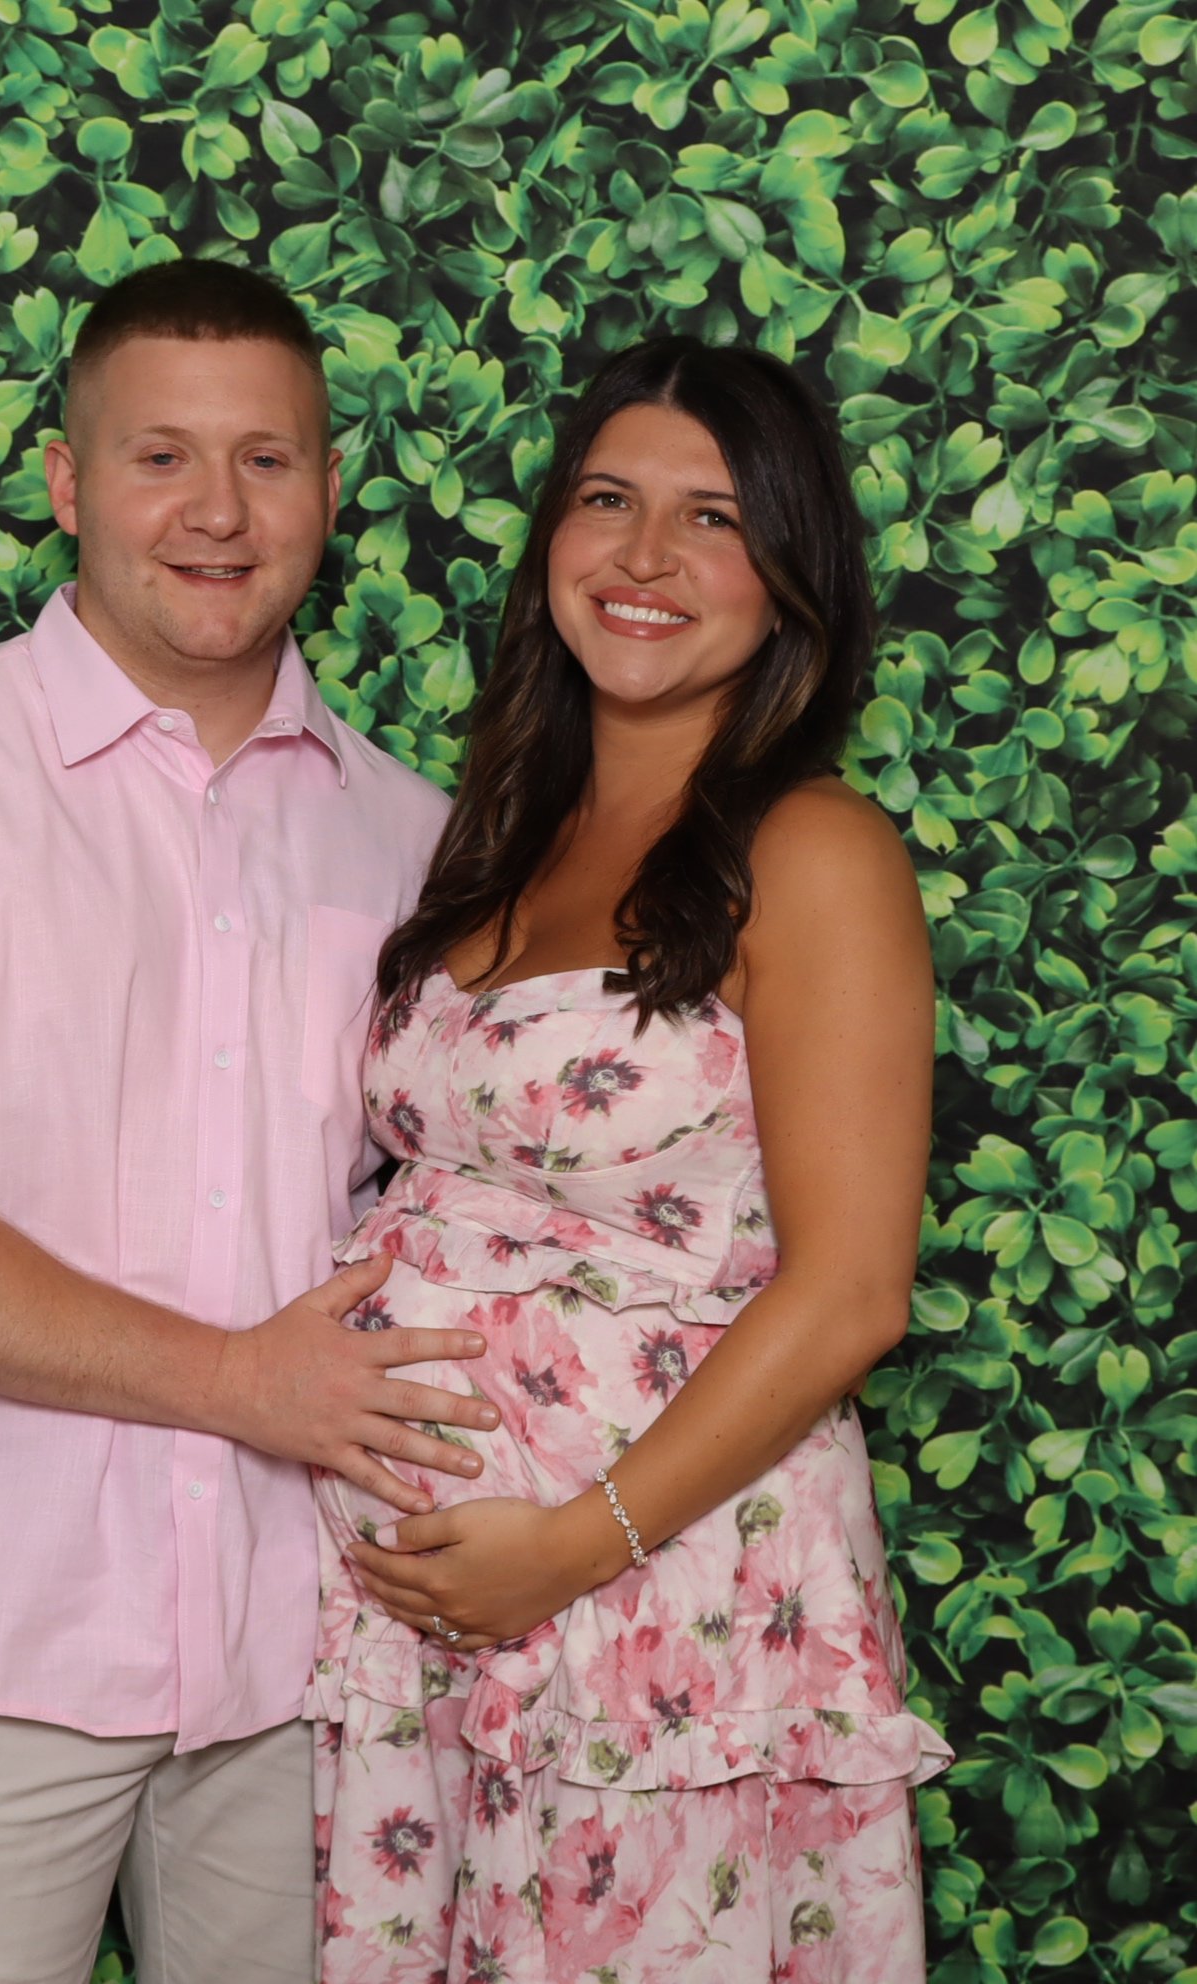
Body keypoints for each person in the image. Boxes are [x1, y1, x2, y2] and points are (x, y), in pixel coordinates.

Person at [0, 260, 503, 1984]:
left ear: (330, 489)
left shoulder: (420, 840)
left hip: (306, 1645)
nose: (216, 511)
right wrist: (243, 1383)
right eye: (159, 457)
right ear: (70, 483)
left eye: (267, 460)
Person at [309, 336, 953, 1981]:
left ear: (793, 579)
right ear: (550, 545)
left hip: (660, 1599)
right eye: (608, 501)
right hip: (431, 1620)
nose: (646, 559)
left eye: (715, 519)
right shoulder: (496, 834)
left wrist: (571, 1543)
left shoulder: (814, 853)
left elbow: (853, 1293)